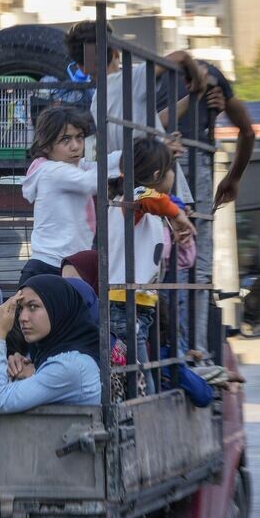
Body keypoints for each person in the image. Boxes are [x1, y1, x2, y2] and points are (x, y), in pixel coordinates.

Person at [157, 64, 257, 357]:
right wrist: (233, 177)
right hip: (194, 161)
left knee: (160, 270)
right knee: (196, 267)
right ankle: (193, 352)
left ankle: (172, 349)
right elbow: (248, 132)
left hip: (151, 162)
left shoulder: (143, 78)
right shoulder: (210, 76)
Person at [65, 20, 206, 205]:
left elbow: (153, 120)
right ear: (116, 52)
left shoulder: (96, 102)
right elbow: (181, 56)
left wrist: (192, 98)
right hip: (160, 184)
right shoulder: (131, 78)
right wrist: (198, 80)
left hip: (129, 194)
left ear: (81, 67)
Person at [107, 139, 193, 395]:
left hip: (135, 305)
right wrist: (176, 214)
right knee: (141, 383)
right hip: (124, 307)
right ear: (157, 175)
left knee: (134, 377)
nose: (173, 174)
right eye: (170, 168)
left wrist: (174, 216)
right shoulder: (132, 200)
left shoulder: (143, 208)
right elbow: (145, 196)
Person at [20, 105, 121, 285]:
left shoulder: (76, 167)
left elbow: (104, 164)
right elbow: (90, 181)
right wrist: (137, 158)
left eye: (79, 137)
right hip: (49, 266)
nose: (75, 146)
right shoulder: (51, 171)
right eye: (65, 140)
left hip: (69, 265)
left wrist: (134, 155)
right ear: (47, 144)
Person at [0, 275, 102, 412]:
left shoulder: (71, 366)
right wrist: (23, 370)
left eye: (33, 306)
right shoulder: (43, 354)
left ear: (57, 308)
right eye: (20, 309)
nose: (22, 318)